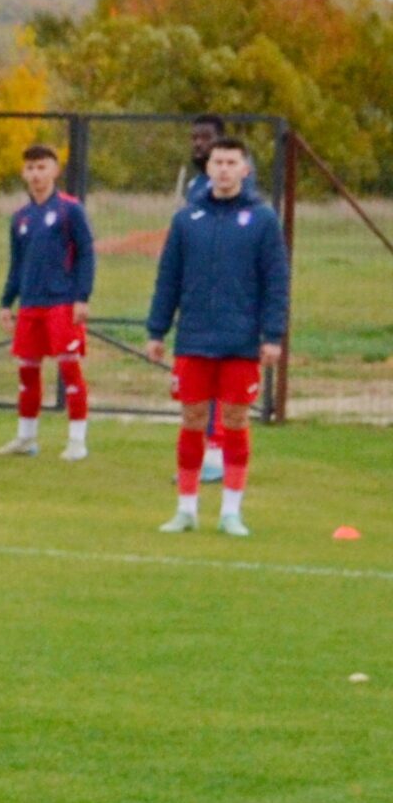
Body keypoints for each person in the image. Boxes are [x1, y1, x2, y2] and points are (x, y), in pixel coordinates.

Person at [147, 139, 287, 539]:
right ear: (207, 169)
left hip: (241, 341)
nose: (224, 169)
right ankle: (186, 509)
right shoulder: (186, 219)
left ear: (245, 170)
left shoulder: (262, 219)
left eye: (231, 162)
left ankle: (231, 512)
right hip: (194, 339)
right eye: (217, 162)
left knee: (235, 420)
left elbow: (276, 281)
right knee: (192, 419)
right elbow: (168, 278)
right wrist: (157, 330)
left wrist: (272, 334)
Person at [0, 144, 95, 460]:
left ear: (55, 171)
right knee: (27, 372)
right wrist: (6, 302)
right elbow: (17, 263)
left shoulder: (69, 210)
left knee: (69, 370)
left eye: (42, 167)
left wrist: (82, 297)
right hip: (30, 303)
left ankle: (77, 441)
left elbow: (86, 254)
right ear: (24, 173)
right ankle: (26, 437)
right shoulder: (21, 217)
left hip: (61, 302)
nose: (36, 174)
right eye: (31, 168)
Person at [179, 116, 256, 485]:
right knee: (197, 393)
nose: (199, 144)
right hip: (199, 306)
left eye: (206, 138)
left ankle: (219, 455)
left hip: (232, 305)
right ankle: (203, 457)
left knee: (229, 392)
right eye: (195, 138)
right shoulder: (195, 186)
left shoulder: (242, 193)